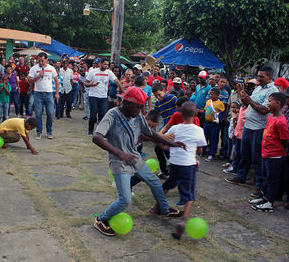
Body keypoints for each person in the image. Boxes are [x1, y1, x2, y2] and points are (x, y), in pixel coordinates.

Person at [92, 87, 186, 237]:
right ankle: (101, 219)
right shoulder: (112, 115)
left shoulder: (137, 116)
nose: (141, 110)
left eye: (143, 107)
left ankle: (164, 209)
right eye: (139, 106)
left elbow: (151, 133)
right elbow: (96, 137)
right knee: (125, 200)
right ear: (127, 103)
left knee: (155, 182)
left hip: (134, 158)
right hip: (119, 162)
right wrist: (120, 153)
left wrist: (172, 144)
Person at [154, 101, 207, 239]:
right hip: (188, 165)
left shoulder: (175, 129)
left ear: (181, 114)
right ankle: (183, 221)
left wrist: (163, 145)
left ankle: (156, 206)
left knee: (167, 185)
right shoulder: (199, 130)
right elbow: (200, 149)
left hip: (174, 164)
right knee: (189, 195)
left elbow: (164, 142)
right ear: (195, 114)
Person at [225, 67, 279, 197]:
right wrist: (242, 95)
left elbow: (265, 110)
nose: (258, 79)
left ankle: (259, 186)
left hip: (259, 128)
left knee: (257, 158)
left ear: (270, 77)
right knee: (245, 154)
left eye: (261, 77)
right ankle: (241, 176)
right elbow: (247, 104)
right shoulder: (258, 88)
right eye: (258, 76)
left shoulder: (272, 91)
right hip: (248, 126)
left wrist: (249, 100)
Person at [250, 92, 289, 212]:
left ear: (278, 103)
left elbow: (284, 140)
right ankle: (264, 196)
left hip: (275, 156)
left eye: (270, 101)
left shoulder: (281, 121)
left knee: (272, 179)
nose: (268, 103)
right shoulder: (270, 117)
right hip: (265, 153)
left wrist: (277, 151)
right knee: (265, 177)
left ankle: (269, 202)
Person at [85, 58, 124, 135]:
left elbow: (116, 81)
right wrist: (91, 85)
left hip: (103, 96)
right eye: (105, 64)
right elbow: (85, 83)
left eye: (107, 64)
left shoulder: (109, 72)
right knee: (93, 114)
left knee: (103, 114)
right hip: (93, 96)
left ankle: (101, 132)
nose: (106, 66)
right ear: (100, 64)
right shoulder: (93, 72)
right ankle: (90, 130)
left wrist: (123, 90)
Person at [28, 52, 59, 140]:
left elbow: (56, 81)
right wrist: (38, 76)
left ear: (46, 60)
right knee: (38, 114)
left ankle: (49, 131)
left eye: (42, 61)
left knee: (50, 113)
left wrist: (56, 93)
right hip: (38, 94)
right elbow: (29, 81)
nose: (40, 63)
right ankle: (39, 131)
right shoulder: (34, 68)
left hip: (49, 93)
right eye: (39, 61)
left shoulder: (51, 68)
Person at [203, 88, 225, 162]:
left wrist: (218, 120)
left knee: (213, 139)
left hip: (214, 124)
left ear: (217, 95)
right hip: (206, 122)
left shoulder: (220, 104)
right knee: (205, 137)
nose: (210, 96)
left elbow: (222, 113)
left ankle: (211, 154)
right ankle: (202, 151)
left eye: (212, 94)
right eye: (210, 94)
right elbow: (205, 110)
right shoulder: (208, 101)